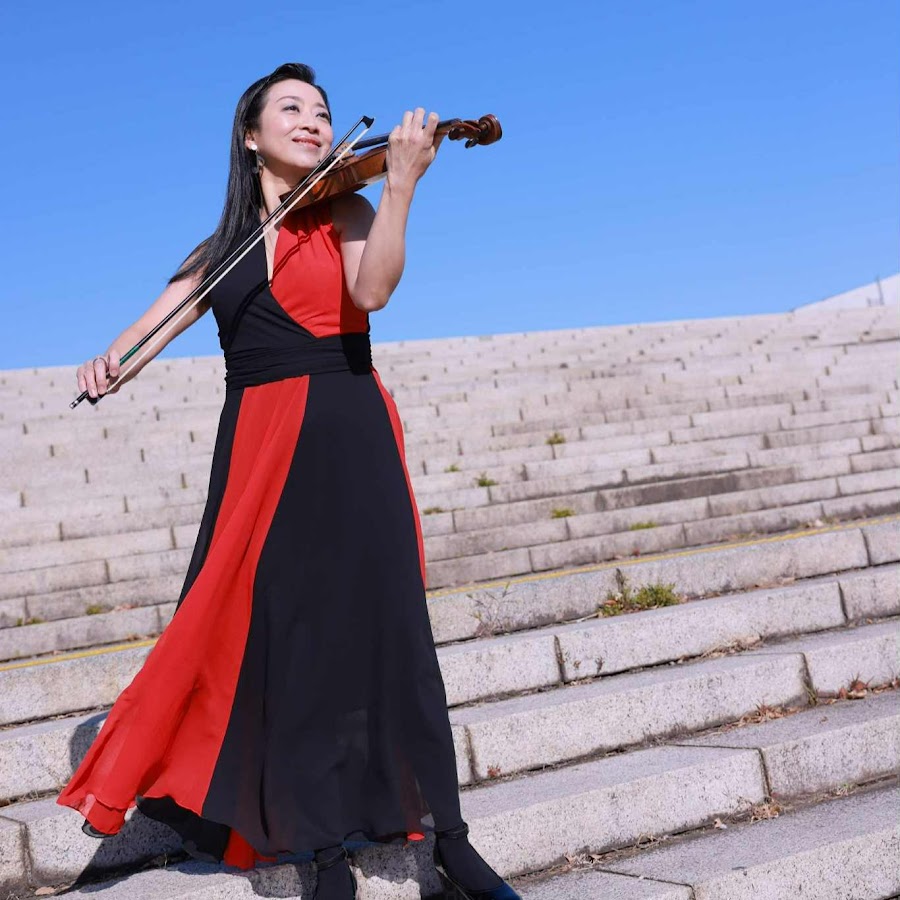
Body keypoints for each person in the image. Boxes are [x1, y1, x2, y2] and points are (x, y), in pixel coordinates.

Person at [58, 63, 520, 900]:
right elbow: (148, 331)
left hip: (348, 430)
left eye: (323, 111)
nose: (314, 120)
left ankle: (449, 842)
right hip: (260, 450)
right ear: (250, 136)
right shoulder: (220, 251)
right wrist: (108, 364)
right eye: (293, 108)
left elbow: (372, 290)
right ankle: (320, 853)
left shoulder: (348, 208)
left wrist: (403, 185)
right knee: (292, 647)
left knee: (395, 635)